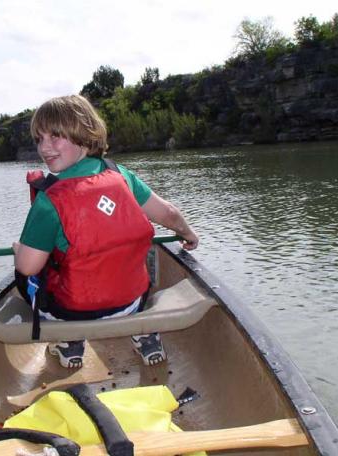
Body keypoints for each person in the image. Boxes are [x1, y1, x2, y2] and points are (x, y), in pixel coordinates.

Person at [13, 94, 199, 369]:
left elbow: (29, 267)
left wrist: (18, 251)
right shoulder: (121, 175)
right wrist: (188, 233)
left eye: (55, 136)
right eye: (39, 139)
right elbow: (168, 214)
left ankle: (69, 341)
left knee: (23, 271)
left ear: (84, 136)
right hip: (130, 302)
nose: (45, 147)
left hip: (72, 313)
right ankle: (142, 329)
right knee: (141, 259)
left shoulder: (48, 199)